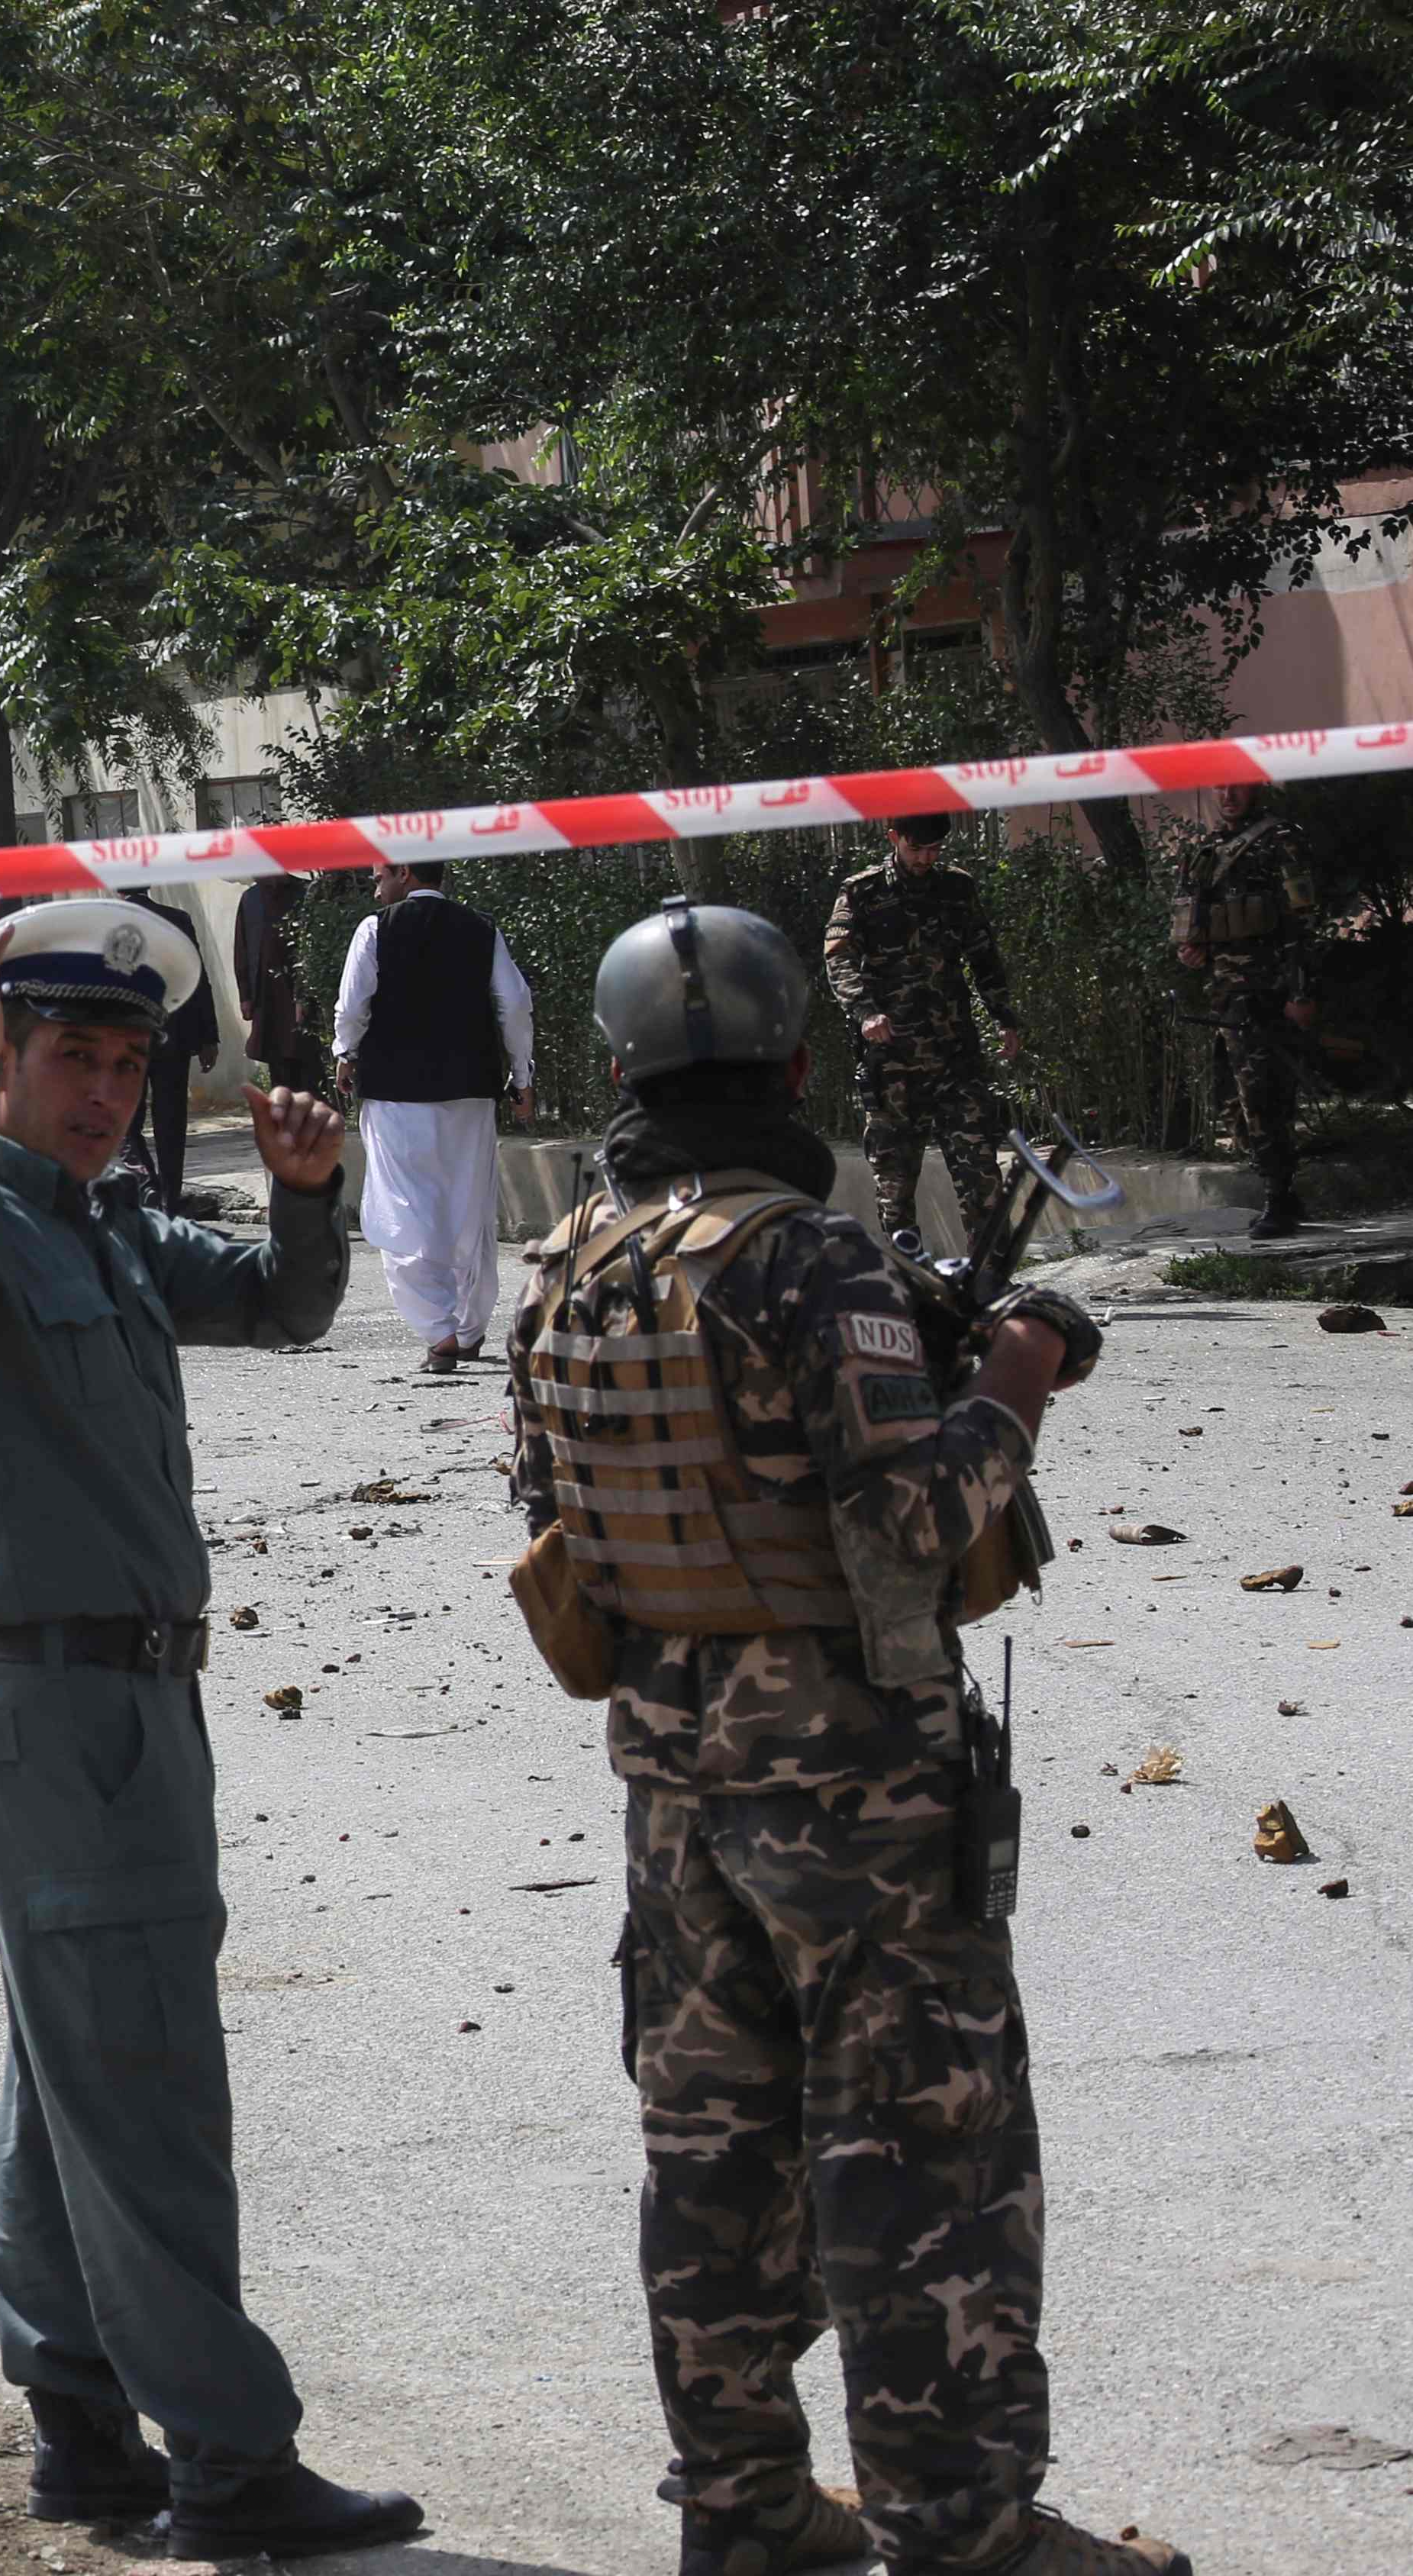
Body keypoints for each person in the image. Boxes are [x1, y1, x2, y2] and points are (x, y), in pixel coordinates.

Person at [505, 899, 1169, 2576]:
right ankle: (963, 2529)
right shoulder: (808, 1258)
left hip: (667, 1780)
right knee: (914, 2154)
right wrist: (1007, 1377)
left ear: (614, 1068)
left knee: (711, 2150)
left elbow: (553, 1516)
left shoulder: (566, 1266)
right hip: (851, 1789)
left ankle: (737, 2509)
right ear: (794, 1059)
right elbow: (905, 1517)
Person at [0, 898, 421, 2561]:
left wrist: (308, 1197)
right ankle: (232, 2463)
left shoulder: (92, 1229)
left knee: (71, 2077)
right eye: (64, 1055)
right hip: (58, 1706)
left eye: (119, 1059)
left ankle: (81, 2427)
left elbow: (280, 1308)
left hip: (131, 1700)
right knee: (149, 2081)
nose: (101, 1088)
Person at [333, 859, 534, 1370]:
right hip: (470, 1088)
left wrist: (344, 1051)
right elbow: (513, 1004)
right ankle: (468, 1328)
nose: (373, 884)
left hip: (395, 1090)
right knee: (468, 1209)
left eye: (378, 874)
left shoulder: (375, 929)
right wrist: (522, 1075)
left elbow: (352, 1004)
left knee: (404, 1209)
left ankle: (437, 1329)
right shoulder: (480, 928)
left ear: (403, 872)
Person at [822, 812, 1024, 1246]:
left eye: (934, 850)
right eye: (917, 849)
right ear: (894, 838)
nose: (925, 858)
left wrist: (1003, 1016)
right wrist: (865, 1012)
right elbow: (837, 959)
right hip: (893, 1058)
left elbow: (983, 954)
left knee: (981, 1172)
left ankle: (990, 1278)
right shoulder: (862, 892)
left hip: (955, 1054)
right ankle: (910, 1278)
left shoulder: (956, 887)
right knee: (895, 1183)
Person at [1172, 779, 1321, 1239]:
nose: (1228, 796)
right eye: (1220, 788)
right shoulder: (1206, 848)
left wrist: (1300, 992)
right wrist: (1190, 952)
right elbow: (1189, 917)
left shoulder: (1280, 840)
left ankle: (1279, 1196)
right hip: (1225, 995)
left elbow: (1304, 920)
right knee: (1230, 1098)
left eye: (1237, 787)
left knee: (1264, 1097)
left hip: (1267, 991)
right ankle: (1281, 1189)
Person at [121, 890, 219, 1213]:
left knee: (125, 1122)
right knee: (171, 1123)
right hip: (172, 1038)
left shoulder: (108, 921)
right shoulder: (177, 921)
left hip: (126, 1042)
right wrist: (208, 1037)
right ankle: (170, 1200)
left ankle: (147, 1185)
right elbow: (198, 981)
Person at [231, 874, 328, 1096]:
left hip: (300, 995)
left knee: (308, 1065)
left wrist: (304, 994)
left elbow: (314, 947)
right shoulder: (250, 899)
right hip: (266, 997)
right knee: (278, 1066)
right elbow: (242, 949)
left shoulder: (305, 892)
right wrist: (245, 996)